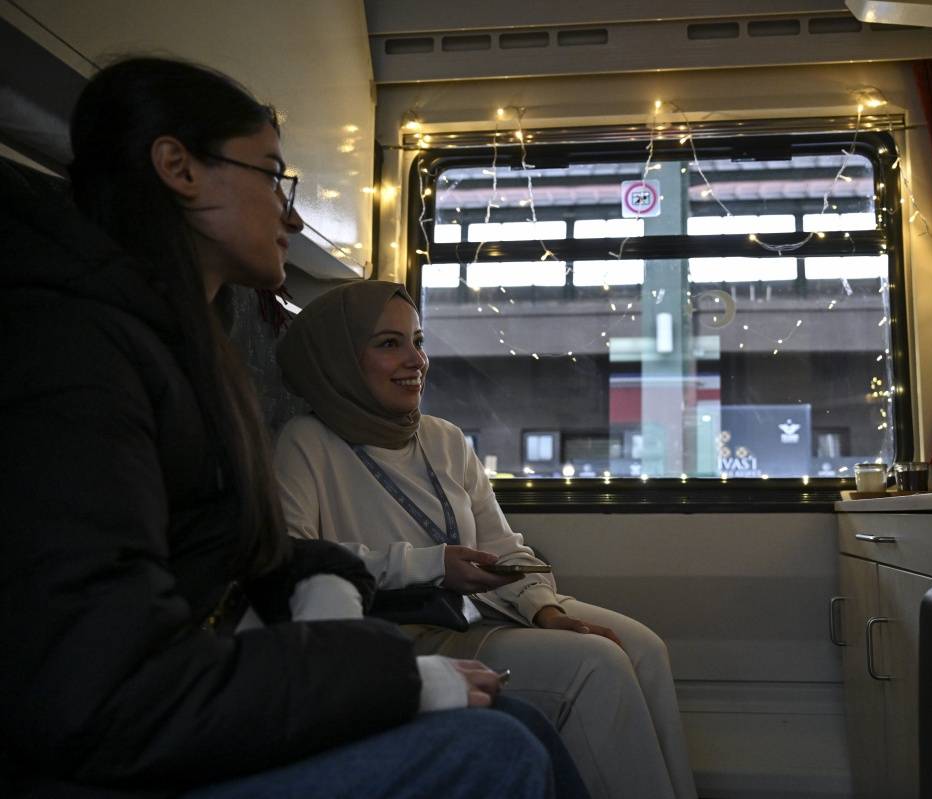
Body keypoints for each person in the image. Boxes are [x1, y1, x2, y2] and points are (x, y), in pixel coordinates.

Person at [0, 57, 577, 798]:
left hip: (178, 699)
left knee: (517, 721)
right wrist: (388, 673)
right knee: (495, 751)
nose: (292, 215)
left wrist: (320, 581)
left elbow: (228, 553)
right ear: (179, 167)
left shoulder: (191, 350)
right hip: (105, 751)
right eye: (273, 176)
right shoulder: (72, 358)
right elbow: (104, 689)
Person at [274, 280, 699, 799]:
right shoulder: (306, 443)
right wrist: (430, 565)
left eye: (418, 341)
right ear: (339, 361)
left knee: (644, 648)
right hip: (402, 628)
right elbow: (292, 560)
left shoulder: (443, 437)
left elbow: (502, 546)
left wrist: (545, 610)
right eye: (389, 343)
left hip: (484, 609)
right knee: (597, 665)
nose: (416, 360)